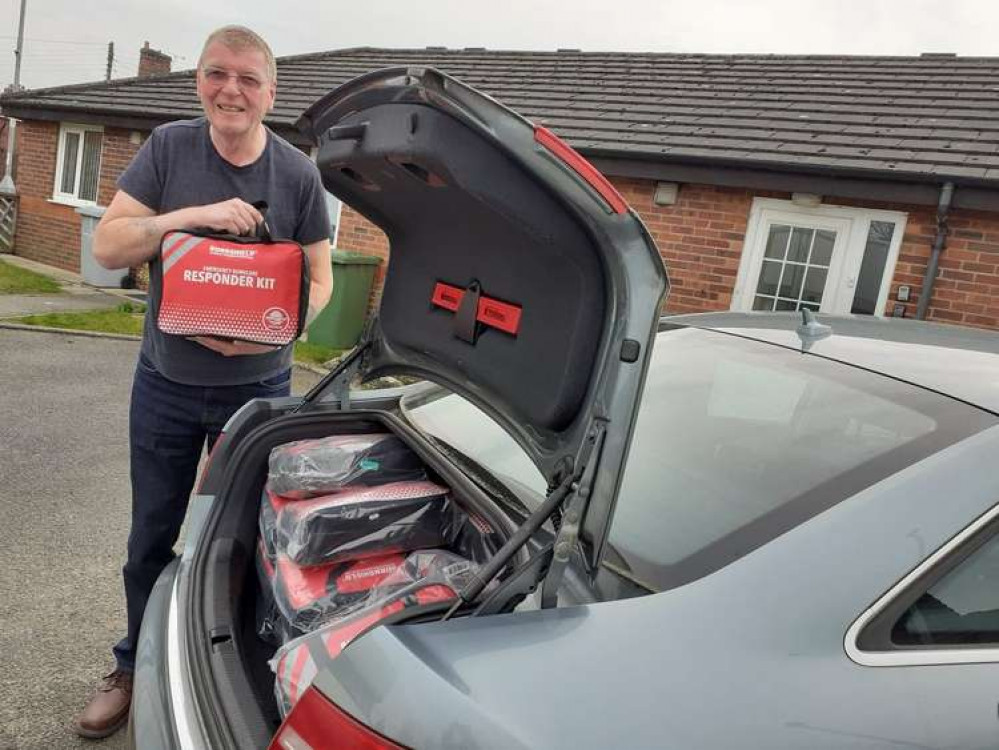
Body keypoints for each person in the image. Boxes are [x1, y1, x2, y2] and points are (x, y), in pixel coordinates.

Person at [73, 25, 333, 739]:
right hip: (166, 383)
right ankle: (131, 665)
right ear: (199, 83)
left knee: (248, 543)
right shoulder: (167, 149)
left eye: (248, 79)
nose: (232, 90)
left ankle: (241, 673)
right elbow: (108, 244)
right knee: (151, 535)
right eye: (218, 74)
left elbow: (319, 279)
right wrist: (190, 216)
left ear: (270, 94)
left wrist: (277, 326)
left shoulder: (298, 175)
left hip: (258, 393)